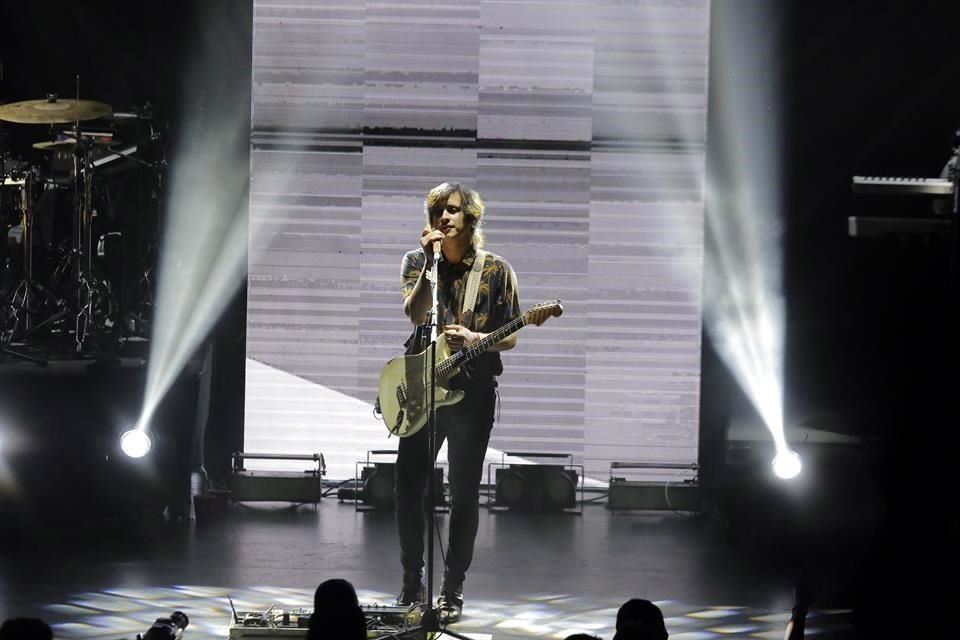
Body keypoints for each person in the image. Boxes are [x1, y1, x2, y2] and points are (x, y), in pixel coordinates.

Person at [394, 182, 522, 623]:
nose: (442, 219)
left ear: (470, 217)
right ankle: (413, 580)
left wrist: (477, 339)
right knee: (407, 488)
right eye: (436, 213)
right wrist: (430, 265)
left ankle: (452, 588)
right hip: (423, 390)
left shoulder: (496, 270)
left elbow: (512, 335)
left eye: (451, 211)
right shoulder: (417, 262)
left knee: (463, 494)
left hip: (471, 393)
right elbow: (414, 314)